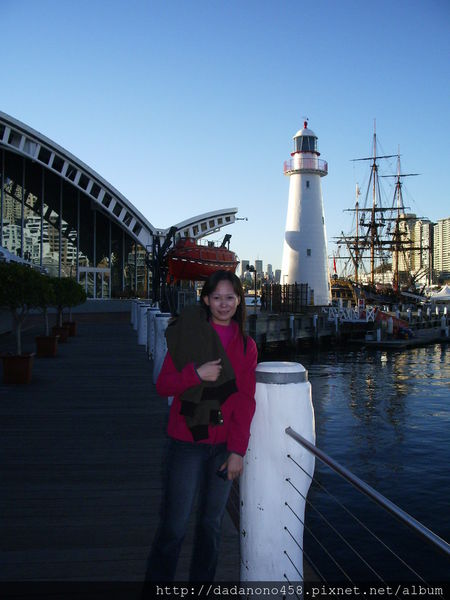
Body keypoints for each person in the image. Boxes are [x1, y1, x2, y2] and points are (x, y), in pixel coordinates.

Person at [145, 270, 257, 582]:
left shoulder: (246, 346)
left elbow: (246, 401)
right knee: (174, 526)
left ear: (238, 301)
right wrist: (196, 374)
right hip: (185, 444)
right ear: (206, 300)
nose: (224, 304)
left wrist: (237, 450)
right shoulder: (189, 336)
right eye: (217, 297)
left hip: (222, 448)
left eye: (230, 297)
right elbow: (164, 385)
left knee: (211, 527)